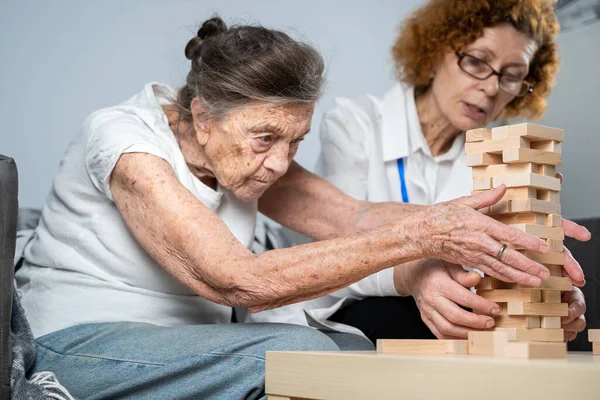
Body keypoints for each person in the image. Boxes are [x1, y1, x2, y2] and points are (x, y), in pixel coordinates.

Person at [15, 16, 584, 399]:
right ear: (203, 115)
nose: (281, 163)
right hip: (79, 342)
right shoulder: (124, 140)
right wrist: (428, 237)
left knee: (356, 352)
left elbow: (353, 218)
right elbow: (235, 280)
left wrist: (509, 231)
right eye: (267, 138)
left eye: (296, 141)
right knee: (301, 351)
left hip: (192, 344)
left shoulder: (245, 155)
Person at [312, 0, 590, 343]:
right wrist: (415, 273)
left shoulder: (501, 161)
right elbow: (333, 254)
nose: (491, 88)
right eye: (476, 61)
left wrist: (548, 291)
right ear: (434, 51)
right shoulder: (355, 125)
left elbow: (496, 268)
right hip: (348, 311)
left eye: (512, 76)